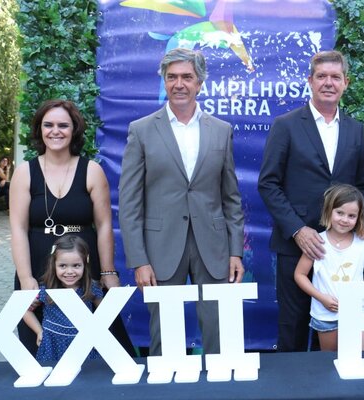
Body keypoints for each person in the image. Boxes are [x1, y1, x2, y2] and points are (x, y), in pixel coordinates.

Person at [119, 48, 245, 356]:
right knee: (165, 334)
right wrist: (139, 260)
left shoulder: (221, 131)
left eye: (187, 77)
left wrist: (235, 252)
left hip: (213, 246)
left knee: (219, 331)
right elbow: (130, 202)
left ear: (200, 83)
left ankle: (220, 380)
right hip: (160, 248)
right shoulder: (141, 130)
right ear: (163, 81)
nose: (179, 84)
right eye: (172, 77)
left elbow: (231, 199)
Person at [258, 50, 364, 352]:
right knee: (293, 327)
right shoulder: (286, 125)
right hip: (297, 245)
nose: (328, 83)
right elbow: (268, 183)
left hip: (342, 249)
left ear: (346, 83)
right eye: (321, 76)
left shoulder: (355, 129)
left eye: (335, 77)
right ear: (310, 81)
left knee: (342, 330)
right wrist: (298, 230)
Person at [10, 99, 133, 356]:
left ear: (74, 129)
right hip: (38, 266)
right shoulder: (24, 172)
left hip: (85, 267)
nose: (55, 131)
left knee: (105, 346)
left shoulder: (92, 170)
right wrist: (25, 277)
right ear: (39, 129)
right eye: (48, 125)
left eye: (63, 125)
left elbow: (104, 225)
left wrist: (108, 271)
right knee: (38, 350)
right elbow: (18, 228)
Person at [294, 184, 364, 351]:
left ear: (359, 217)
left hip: (356, 313)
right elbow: (300, 274)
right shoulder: (317, 242)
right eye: (339, 213)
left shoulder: (363, 243)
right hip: (326, 315)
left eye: (351, 215)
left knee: (359, 359)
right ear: (329, 211)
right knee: (330, 360)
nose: (345, 219)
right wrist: (321, 298)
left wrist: (359, 293)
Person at [23, 235, 104, 362]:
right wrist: (39, 331)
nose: (69, 271)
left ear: (85, 264)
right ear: (54, 265)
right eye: (63, 266)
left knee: (86, 374)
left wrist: (96, 330)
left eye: (76, 265)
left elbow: (105, 311)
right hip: (53, 345)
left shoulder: (91, 288)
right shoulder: (47, 289)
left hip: (83, 345)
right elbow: (25, 310)